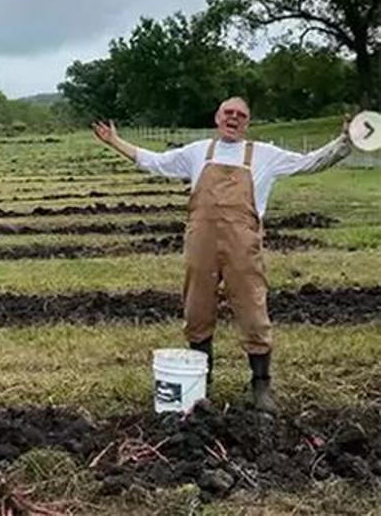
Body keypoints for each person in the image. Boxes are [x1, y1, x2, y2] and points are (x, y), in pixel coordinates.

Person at [93, 98, 352, 412]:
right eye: (228, 112)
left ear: (247, 123)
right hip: (200, 241)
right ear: (217, 118)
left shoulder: (265, 155)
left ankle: (261, 385)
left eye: (241, 115)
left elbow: (311, 162)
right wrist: (115, 141)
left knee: (253, 308)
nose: (234, 118)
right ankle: (202, 384)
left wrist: (343, 143)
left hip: (242, 245)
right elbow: (154, 162)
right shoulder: (197, 152)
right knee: (197, 309)